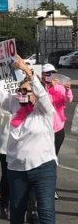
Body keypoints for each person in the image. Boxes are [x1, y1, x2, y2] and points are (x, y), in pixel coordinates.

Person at [0, 57, 60, 224]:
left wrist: (28, 73)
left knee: (46, 211)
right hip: (17, 169)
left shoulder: (44, 110)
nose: (23, 93)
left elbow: (42, 94)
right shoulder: (13, 105)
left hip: (43, 167)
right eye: (20, 90)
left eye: (27, 91)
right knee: (17, 209)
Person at [42, 63, 73, 200]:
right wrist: (47, 88)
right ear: (42, 75)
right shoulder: (39, 88)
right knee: (41, 160)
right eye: (47, 73)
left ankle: (51, 188)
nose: (50, 76)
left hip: (57, 128)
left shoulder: (59, 87)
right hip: (42, 130)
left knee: (53, 159)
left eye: (52, 73)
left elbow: (68, 99)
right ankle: (38, 187)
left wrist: (67, 90)